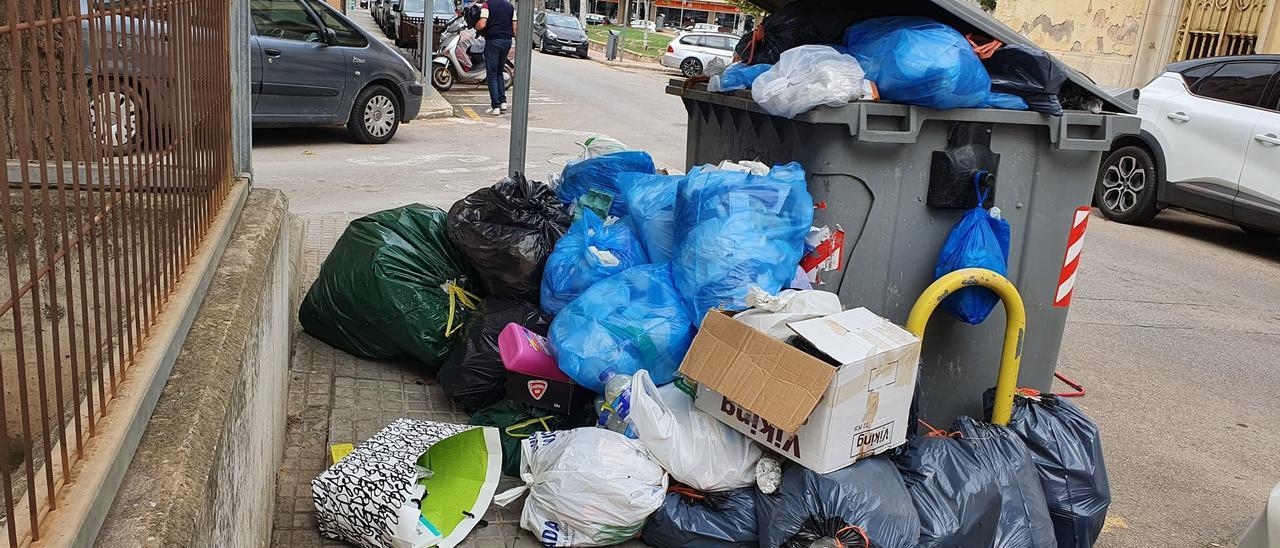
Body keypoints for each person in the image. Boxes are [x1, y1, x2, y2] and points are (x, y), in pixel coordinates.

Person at [475, 0, 515, 116]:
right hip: (507, 41)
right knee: (499, 71)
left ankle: (495, 106)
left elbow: (482, 24)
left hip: (493, 41)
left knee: (492, 74)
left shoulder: (487, 5)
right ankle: (502, 102)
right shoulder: (510, 6)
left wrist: (475, 26)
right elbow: (515, 26)